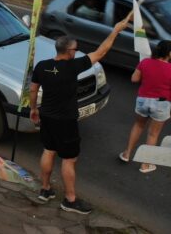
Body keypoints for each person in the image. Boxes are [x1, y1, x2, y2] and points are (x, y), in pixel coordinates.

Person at [29, 13, 132, 215]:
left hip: (46, 116)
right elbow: (101, 52)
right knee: (69, 159)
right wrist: (116, 30)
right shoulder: (73, 66)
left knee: (48, 150)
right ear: (68, 52)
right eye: (75, 49)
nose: (77, 52)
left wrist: (34, 109)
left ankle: (45, 189)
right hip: (65, 120)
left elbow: (33, 89)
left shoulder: (42, 66)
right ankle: (70, 200)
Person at [119, 40, 171, 173]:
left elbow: (134, 79)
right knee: (153, 134)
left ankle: (127, 154)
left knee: (138, 125)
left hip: (143, 100)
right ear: (169, 53)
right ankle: (145, 164)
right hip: (161, 104)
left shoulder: (145, 62)